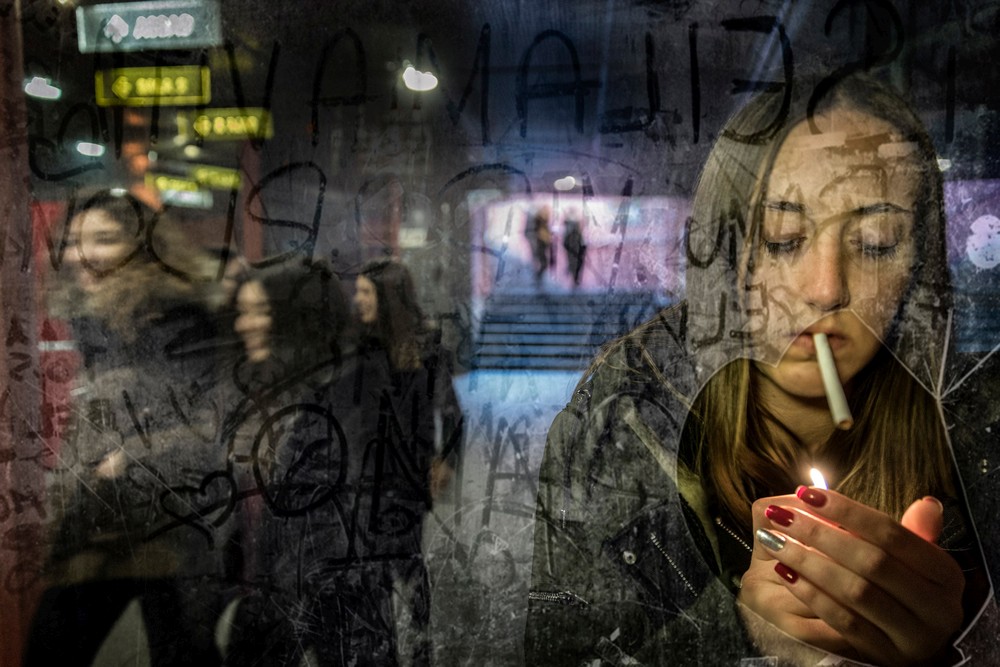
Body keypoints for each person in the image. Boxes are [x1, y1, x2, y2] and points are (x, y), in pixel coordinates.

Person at [525, 74, 993, 666]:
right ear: (725, 253)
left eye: (875, 243)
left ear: (918, 269)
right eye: (782, 237)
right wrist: (738, 632)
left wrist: (961, 647)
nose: (826, 289)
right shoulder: (622, 425)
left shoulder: (977, 435)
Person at [27, 190, 229, 666]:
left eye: (104, 240)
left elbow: (207, 420)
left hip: (168, 522)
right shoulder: (97, 321)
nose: (83, 255)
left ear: (142, 247)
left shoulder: (178, 316)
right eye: (74, 241)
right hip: (107, 521)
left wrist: (125, 461)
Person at [354, 257, 464, 666]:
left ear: (386, 296)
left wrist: (445, 459)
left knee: (407, 565)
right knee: (376, 571)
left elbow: (451, 411)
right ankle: (386, 653)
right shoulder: (361, 343)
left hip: (407, 474)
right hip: (367, 474)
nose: (358, 299)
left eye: (365, 291)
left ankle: (420, 650)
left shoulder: (425, 345)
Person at [562, 215, 586, 287]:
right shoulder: (568, 233)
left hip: (577, 252)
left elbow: (581, 242)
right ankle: (575, 280)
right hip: (572, 253)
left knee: (578, 265)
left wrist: (583, 248)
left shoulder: (577, 233)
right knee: (574, 265)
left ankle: (576, 280)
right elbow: (565, 243)